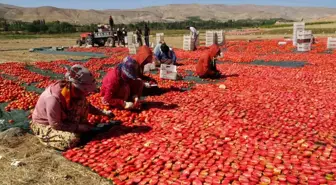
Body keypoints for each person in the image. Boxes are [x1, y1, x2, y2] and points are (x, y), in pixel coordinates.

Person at [31, 65, 113, 151]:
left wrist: (103, 112)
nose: (86, 93)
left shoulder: (72, 90)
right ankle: (45, 137)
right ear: (77, 87)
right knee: (71, 140)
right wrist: (79, 127)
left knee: (82, 102)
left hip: (61, 119)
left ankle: (78, 129)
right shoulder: (53, 98)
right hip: (46, 124)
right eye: (85, 90)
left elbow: (87, 106)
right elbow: (55, 124)